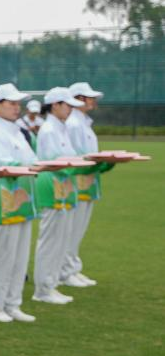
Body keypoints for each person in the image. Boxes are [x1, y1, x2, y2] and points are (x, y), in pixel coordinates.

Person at [0, 83, 39, 324]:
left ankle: (13, 303)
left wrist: (36, 167)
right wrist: (30, 167)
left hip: (22, 199)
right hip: (2, 202)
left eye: (18, 103)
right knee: (2, 256)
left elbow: (32, 161)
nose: (17, 107)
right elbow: (4, 166)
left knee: (19, 256)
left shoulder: (18, 132)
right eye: (12, 103)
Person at [32, 87, 86, 304]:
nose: (71, 109)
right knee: (50, 240)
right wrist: (82, 164)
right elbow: (53, 162)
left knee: (61, 239)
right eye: (67, 105)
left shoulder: (61, 128)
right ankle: (43, 289)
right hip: (52, 186)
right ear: (55, 105)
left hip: (64, 187)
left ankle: (51, 284)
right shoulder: (48, 130)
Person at [62, 82, 112, 287]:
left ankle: (73, 267)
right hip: (78, 181)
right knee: (72, 229)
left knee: (79, 229)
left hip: (88, 180)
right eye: (90, 97)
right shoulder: (74, 124)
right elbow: (73, 155)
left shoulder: (83, 122)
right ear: (79, 99)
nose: (94, 101)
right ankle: (65, 271)